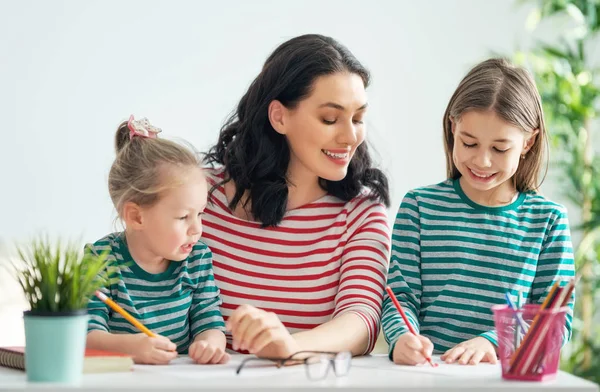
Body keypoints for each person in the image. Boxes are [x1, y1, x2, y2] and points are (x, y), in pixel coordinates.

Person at [202, 34, 391, 358]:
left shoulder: (361, 213)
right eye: (330, 119)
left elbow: (361, 321)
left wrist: (291, 345)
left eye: (358, 118)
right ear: (279, 116)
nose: (350, 137)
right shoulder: (203, 197)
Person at [382, 58, 575, 366]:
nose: (482, 161)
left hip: (502, 381)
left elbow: (555, 322)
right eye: (469, 143)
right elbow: (400, 297)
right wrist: (402, 337)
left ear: (529, 142)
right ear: (453, 127)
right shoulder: (419, 207)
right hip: (429, 375)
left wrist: (492, 341)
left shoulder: (548, 220)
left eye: (500, 149)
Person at [86, 116, 228, 365]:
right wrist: (131, 348)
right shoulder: (101, 259)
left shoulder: (197, 259)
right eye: (184, 217)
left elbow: (209, 320)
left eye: (200, 214)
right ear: (136, 216)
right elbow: (85, 336)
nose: (197, 229)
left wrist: (210, 344)